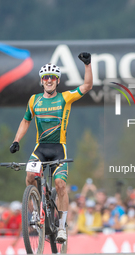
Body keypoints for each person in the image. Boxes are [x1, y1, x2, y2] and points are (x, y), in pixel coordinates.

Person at [9, 53, 93, 242]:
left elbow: (87, 86)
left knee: (60, 185)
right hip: (40, 149)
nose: (49, 80)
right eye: (45, 77)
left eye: (52, 77)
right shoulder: (34, 100)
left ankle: (62, 226)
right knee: (30, 176)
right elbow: (25, 121)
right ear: (41, 81)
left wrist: (87, 65)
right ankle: (35, 209)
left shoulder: (65, 98)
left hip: (58, 149)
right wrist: (16, 141)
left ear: (57, 81)